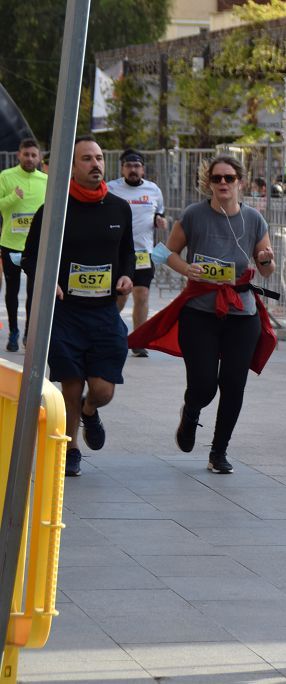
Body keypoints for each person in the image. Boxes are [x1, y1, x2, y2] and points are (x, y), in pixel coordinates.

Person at [129, 155, 277, 475]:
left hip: (241, 312)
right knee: (205, 384)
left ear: (241, 181)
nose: (222, 183)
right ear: (208, 182)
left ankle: (219, 451)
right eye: (216, 178)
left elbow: (266, 269)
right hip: (200, 311)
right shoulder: (195, 215)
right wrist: (186, 268)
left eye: (229, 178)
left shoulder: (254, 220)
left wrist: (265, 259)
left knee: (233, 384)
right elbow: (162, 252)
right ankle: (191, 411)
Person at [21, 137, 134, 477]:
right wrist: (48, 280)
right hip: (66, 311)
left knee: (102, 389)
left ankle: (90, 410)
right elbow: (30, 257)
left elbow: (127, 252)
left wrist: (127, 275)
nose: (95, 164)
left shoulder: (118, 208)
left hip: (103, 311)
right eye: (87, 158)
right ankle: (71, 448)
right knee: (70, 383)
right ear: (71, 167)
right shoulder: (54, 210)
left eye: (99, 157)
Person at [107, 149, 166, 357]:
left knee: (142, 294)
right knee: (121, 295)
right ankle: (108, 333)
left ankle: (139, 340)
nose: (133, 169)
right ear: (122, 168)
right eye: (129, 166)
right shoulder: (111, 188)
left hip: (143, 252)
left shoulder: (153, 190)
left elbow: (159, 213)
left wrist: (160, 220)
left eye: (137, 166)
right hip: (119, 252)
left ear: (143, 169)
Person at [0, 138, 47, 351]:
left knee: (34, 292)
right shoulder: (6, 176)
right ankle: (13, 332)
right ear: (19, 155)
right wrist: (12, 197)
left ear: (39, 158)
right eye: (26, 154)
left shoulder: (45, 180)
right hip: (11, 243)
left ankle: (29, 333)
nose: (29, 158)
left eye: (33, 155)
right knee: (12, 290)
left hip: (35, 246)